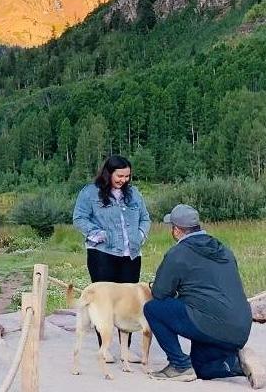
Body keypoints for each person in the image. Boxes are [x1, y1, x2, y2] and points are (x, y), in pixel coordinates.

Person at [144, 204, 265, 388]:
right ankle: (236, 363)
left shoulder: (178, 253)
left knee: (153, 309)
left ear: (177, 230)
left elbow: (160, 293)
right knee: (202, 369)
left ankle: (179, 365)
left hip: (210, 324)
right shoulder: (223, 249)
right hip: (240, 327)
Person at [72, 155, 151, 358]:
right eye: (120, 175)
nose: (123, 180)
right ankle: (104, 349)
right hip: (102, 254)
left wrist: (141, 234)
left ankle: (126, 350)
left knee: (128, 303)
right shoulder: (90, 193)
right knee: (104, 301)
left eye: (127, 176)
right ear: (109, 173)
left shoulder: (134, 194)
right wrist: (95, 234)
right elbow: (79, 217)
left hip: (131, 255)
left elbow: (145, 218)